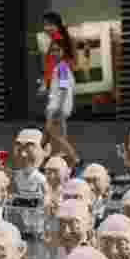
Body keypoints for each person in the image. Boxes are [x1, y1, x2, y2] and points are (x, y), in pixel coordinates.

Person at [45, 38, 77, 167]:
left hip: (57, 108)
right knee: (55, 136)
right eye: (52, 50)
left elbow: (64, 89)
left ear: (63, 51)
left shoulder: (62, 67)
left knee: (55, 135)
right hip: (58, 107)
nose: (54, 53)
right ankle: (54, 160)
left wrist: (58, 108)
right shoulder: (62, 67)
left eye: (57, 50)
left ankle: (75, 159)